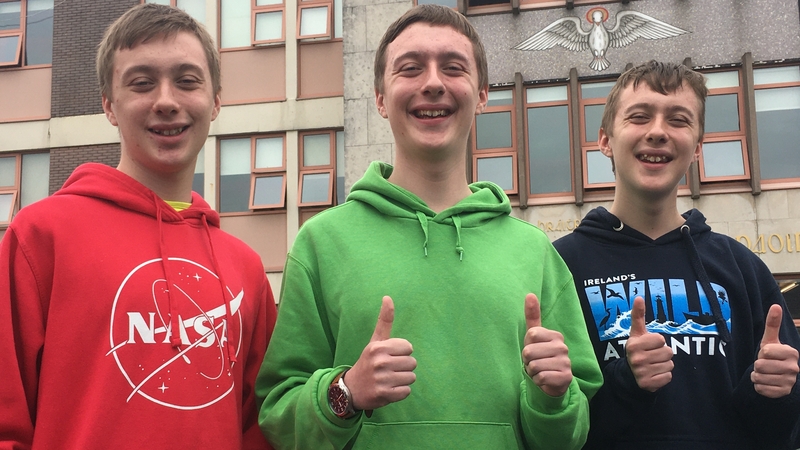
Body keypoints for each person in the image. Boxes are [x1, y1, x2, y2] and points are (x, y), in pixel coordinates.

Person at [256, 4, 602, 449]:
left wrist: (552, 399)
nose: (434, 83)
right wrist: (345, 392)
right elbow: (279, 419)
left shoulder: (535, 252)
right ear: (380, 98)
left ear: (481, 95)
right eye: (411, 68)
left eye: (453, 68)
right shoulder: (321, 244)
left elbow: (569, 436)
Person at [0, 4, 276, 449]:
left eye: (187, 81)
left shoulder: (244, 268)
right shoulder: (40, 237)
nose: (166, 101)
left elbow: (259, 430)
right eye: (142, 83)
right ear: (109, 105)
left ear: (216, 101)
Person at [553, 60, 800, 449]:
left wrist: (773, 393)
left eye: (679, 120)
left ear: (698, 148)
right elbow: (549, 425)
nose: (657, 132)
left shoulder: (742, 268)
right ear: (604, 141)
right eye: (639, 117)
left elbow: (776, 431)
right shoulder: (560, 265)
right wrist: (627, 382)